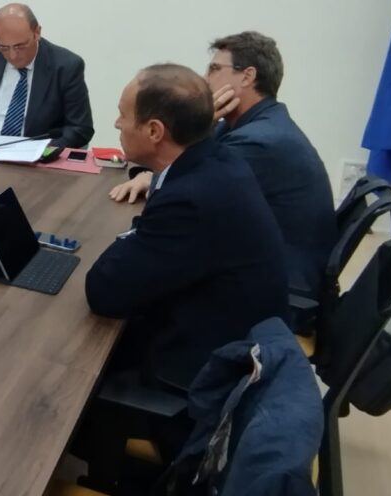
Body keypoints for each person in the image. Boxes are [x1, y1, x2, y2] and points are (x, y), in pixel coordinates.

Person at [76, 64, 288, 490]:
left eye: (123, 115)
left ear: (154, 131)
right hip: (243, 340)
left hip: (199, 374)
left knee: (63, 369)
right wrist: (140, 233)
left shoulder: (191, 198)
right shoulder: (214, 160)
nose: (116, 123)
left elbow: (103, 290)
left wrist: (132, 236)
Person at [109, 32, 336, 298]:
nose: (204, 79)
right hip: (260, 265)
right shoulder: (246, 124)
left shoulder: (259, 142)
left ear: (247, 76)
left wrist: (199, 124)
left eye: (215, 69)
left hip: (279, 288)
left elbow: (186, 186)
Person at [0, 3, 93, 147]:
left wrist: (42, 151)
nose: (12, 55)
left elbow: (80, 129)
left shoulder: (66, 66)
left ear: (37, 32)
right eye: (3, 47)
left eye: (20, 46)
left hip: (37, 155)